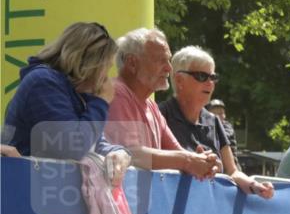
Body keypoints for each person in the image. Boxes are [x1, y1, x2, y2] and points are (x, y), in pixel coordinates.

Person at [2, 22, 131, 181]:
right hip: (22, 190)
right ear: (91, 64)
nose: (106, 76)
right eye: (107, 67)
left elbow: (96, 144)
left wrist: (120, 153)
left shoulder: (75, 93)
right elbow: (72, 149)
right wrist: (101, 101)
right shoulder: (43, 83)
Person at [104, 28, 219, 178]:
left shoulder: (151, 106)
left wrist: (204, 162)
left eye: (169, 60)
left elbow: (178, 153)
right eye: (161, 60)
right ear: (132, 63)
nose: (169, 68)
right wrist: (189, 161)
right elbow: (129, 152)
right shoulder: (116, 93)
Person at [160, 46, 273, 199]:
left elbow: (232, 171)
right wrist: (193, 163)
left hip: (209, 213)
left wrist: (255, 186)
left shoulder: (214, 121)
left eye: (212, 77)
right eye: (201, 76)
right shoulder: (160, 115)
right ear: (179, 80)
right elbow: (150, 166)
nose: (210, 83)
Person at [206, 98, 239, 163]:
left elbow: (222, 137)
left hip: (230, 164)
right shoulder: (206, 126)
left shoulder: (227, 126)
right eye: (215, 113)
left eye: (221, 113)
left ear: (224, 115)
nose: (218, 116)